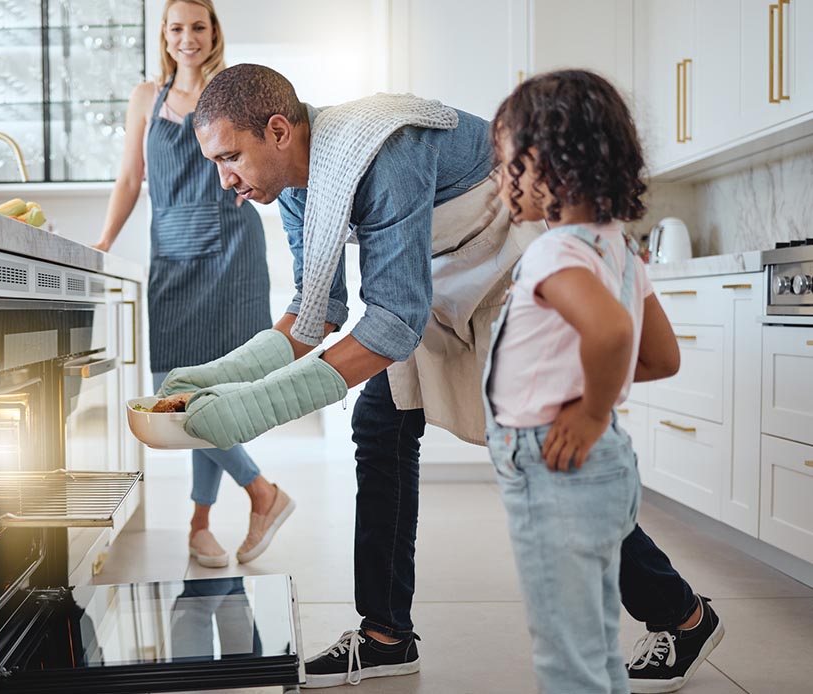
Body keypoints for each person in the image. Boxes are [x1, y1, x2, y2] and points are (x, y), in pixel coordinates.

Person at [154, 63, 724, 691]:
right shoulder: (291, 188)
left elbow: (394, 323)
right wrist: (213, 380)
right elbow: (317, 313)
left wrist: (252, 412)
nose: (223, 178)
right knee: (381, 426)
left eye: (230, 156)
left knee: (553, 456)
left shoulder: (383, 151)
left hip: (508, 264)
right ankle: (385, 636)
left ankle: (682, 614)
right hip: (432, 281)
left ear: (280, 131)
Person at [483, 69, 723, 694]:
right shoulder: (617, 248)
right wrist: (594, 398)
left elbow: (615, 334)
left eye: (504, 162)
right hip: (607, 463)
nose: (499, 180)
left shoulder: (554, 251)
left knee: (568, 656)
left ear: (543, 164)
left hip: (554, 462)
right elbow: (661, 355)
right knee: (595, 647)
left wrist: (588, 410)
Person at [92, 1, 293, 569]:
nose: (188, 37)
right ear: (164, 34)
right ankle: (261, 492)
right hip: (173, 257)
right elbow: (131, 177)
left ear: (213, 33)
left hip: (232, 249)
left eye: (198, 27)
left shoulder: (229, 94)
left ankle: (199, 525)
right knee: (173, 390)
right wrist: (105, 238)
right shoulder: (145, 99)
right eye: (177, 27)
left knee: (216, 392)